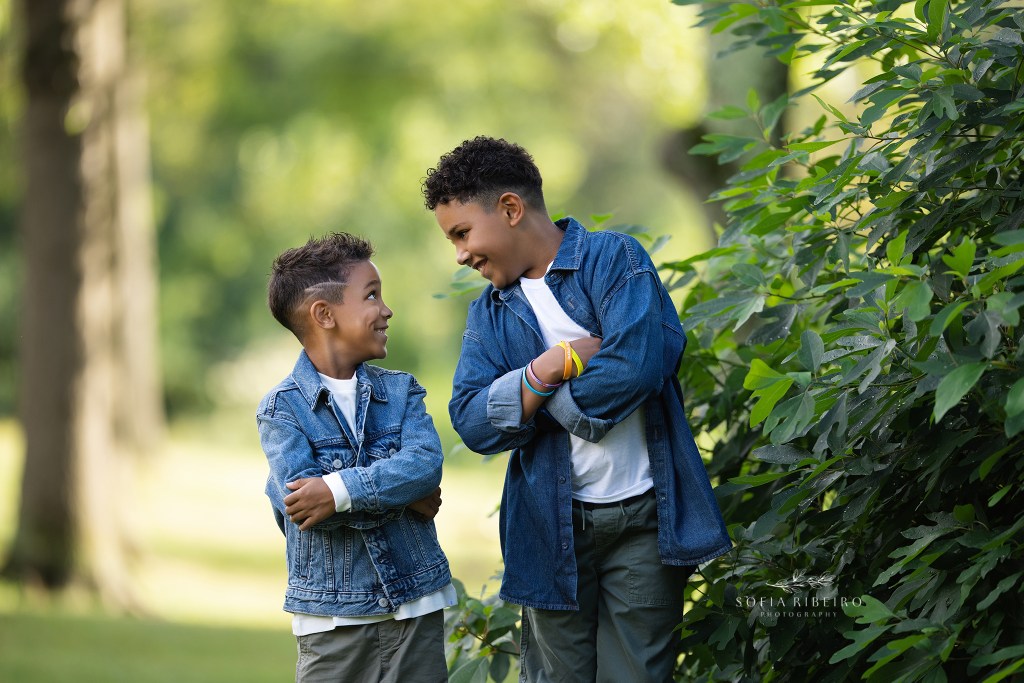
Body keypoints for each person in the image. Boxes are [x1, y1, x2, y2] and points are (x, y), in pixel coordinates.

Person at [423, 136, 732, 682]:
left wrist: (527, 403)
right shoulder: (489, 315)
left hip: (645, 521)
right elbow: (471, 420)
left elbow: (638, 364)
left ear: (511, 209)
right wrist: (552, 367)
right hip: (549, 527)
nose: (461, 254)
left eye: (462, 233)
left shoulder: (614, 260)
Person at [257, 232, 455, 683]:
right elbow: (307, 513)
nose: (386, 309)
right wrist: (402, 498)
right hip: (334, 624)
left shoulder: (402, 391)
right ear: (324, 314)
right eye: (371, 295)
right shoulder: (280, 410)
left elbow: (425, 464)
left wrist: (338, 489)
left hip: (417, 610)